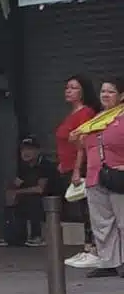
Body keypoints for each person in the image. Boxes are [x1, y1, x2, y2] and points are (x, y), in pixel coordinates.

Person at [65, 78, 124, 277]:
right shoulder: (97, 119)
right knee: (102, 223)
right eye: (103, 91)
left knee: (123, 221)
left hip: (118, 175)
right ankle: (109, 262)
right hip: (95, 176)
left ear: (122, 96)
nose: (105, 95)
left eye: (111, 92)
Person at [55, 75, 99, 249]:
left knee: (87, 208)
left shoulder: (85, 112)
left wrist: (76, 170)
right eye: (67, 87)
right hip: (68, 165)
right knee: (80, 208)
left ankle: (91, 245)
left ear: (82, 92)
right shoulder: (71, 114)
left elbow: (83, 144)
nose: (68, 91)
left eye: (73, 88)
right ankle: (89, 245)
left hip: (80, 167)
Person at [4, 137, 57, 247]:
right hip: (30, 197)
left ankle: (37, 236)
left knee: (33, 200)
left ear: (38, 151)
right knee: (14, 200)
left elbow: (40, 189)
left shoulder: (45, 165)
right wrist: (10, 192)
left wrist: (17, 192)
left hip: (51, 199)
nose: (26, 153)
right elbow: (16, 183)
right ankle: (14, 236)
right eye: (23, 150)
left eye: (30, 149)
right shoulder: (24, 167)